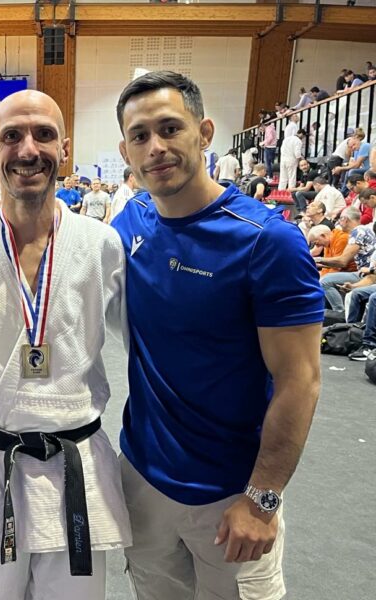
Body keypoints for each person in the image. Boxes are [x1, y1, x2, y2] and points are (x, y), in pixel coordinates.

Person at [113, 71, 323, 600]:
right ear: (125, 150)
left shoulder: (268, 241)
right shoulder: (131, 220)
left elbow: (300, 379)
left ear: (204, 132)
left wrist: (262, 499)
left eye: (170, 129)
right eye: (140, 136)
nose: (156, 147)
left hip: (232, 497)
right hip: (142, 480)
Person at [0, 89, 130, 600]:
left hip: (73, 464)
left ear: (65, 147)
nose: (28, 149)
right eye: (12, 136)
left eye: (44, 135)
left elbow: (154, 350)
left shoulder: (101, 245)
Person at [317, 206, 373, 310]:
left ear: (345, 219)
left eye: (340, 219)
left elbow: (342, 262)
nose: (338, 223)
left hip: (366, 274)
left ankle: (339, 313)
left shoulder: (358, 232)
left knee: (325, 281)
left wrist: (317, 260)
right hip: (363, 272)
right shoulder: (363, 229)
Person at [259, 113, 277, 178]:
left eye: (261, 129)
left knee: (268, 163)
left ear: (263, 125)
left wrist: (263, 143)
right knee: (269, 163)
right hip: (270, 147)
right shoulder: (270, 128)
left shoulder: (269, 129)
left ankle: (270, 176)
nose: (261, 131)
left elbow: (270, 138)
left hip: (270, 148)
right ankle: (270, 176)